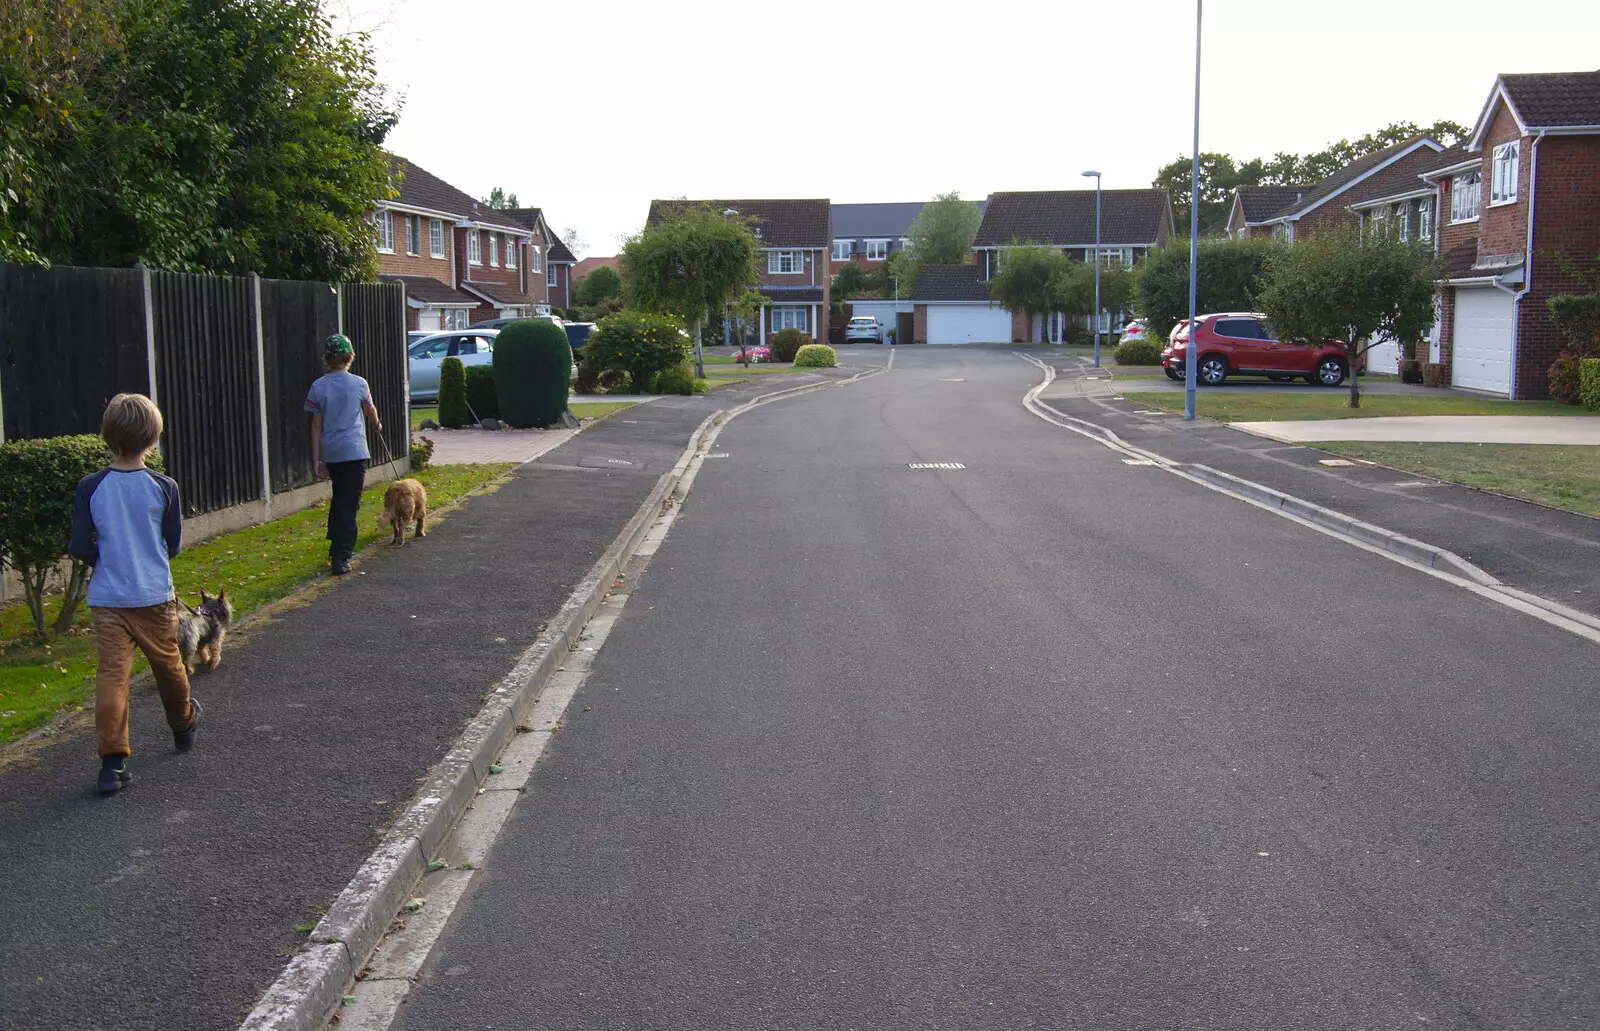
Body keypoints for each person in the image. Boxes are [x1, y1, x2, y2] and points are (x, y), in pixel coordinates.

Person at [69, 393, 200, 794]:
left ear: (109, 436)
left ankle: (113, 762)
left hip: (109, 598)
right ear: (153, 438)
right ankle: (183, 725)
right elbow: (173, 545)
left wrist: (106, 560)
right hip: (154, 596)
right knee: (169, 666)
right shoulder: (164, 487)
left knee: (113, 675)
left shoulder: (91, 487)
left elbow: (79, 545)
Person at [305, 333, 383, 575]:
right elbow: (370, 409)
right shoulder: (360, 383)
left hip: (333, 451)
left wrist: (317, 459)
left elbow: (316, 426)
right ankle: (342, 556)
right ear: (350, 357)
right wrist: (376, 424)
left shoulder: (318, 387)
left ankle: (334, 546)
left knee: (339, 498)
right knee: (350, 504)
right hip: (355, 450)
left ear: (326, 359)